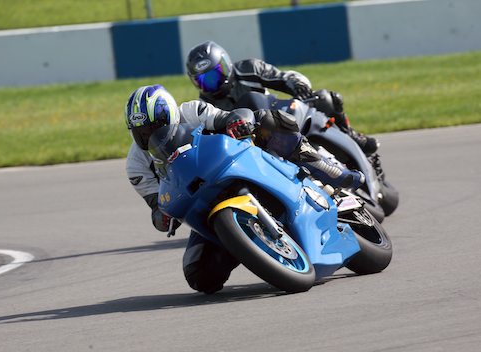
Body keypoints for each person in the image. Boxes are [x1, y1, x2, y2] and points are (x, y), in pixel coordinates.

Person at [125, 84, 363, 294]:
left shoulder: (192, 111)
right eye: (141, 132)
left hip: (237, 163)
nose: (149, 135)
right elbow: (156, 206)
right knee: (199, 276)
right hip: (202, 202)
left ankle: (328, 169)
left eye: (155, 126)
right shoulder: (136, 165)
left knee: (267, 120)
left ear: (171, 115)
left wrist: (237, 121)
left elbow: (230, 116)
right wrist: (162, 217)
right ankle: (250, 245)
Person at [185, 40, 379, 156]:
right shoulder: (204, 107)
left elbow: (283, 77)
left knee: (326, 98)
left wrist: (299, 86)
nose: (212, 83)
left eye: (215, 75)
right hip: (256, 144)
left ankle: (351, 135)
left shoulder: (249, 69)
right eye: (204, 81)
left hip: (280, 117)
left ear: (226, 65)